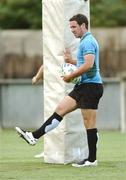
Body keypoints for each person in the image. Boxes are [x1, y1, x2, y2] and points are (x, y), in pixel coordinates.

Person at [15, 14, 103, 167]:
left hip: (91, 87)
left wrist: (70, 76)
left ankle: (91, 159)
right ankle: (33, 136)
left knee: (89, 123)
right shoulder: (85, 41)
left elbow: (89, 65)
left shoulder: (88, 41)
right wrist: (71, 62)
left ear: (83, 26)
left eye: (74, 27)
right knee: (60, 109)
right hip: (83, 86)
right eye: (70, 27)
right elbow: (85, 62)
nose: (72, 30)